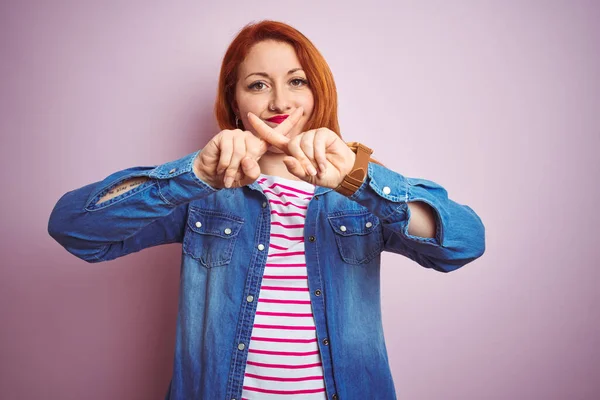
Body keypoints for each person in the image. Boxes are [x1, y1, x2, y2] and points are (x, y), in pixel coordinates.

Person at [48, 20, 485, 400]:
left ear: (318, 92)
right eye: (258, 84)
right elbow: (75, 227)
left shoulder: (362, 189)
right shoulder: (201, 193)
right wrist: (194, 173)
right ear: (235, 102)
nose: (279, 102)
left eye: (297, 81)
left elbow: (464, 243)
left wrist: (358, 176)